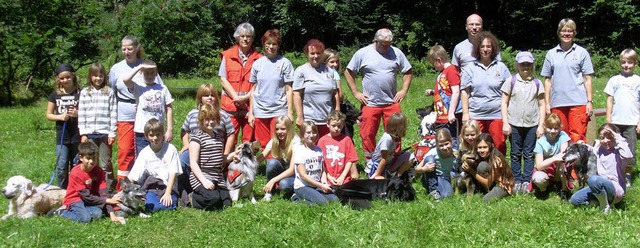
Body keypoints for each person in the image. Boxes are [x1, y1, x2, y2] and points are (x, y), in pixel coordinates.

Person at [345, 28, 412, 162]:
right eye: (383, 44)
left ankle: (394, 160)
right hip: (370, 103)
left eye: (389, 44)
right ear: (376, 41)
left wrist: (403, 90)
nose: (387, 47)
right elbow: (348, 72)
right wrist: (356, 92)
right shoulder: (363, 53)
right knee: (367, 133)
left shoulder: (396, 52)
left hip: (391, 102)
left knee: (396, 132)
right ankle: (372, 162)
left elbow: (408, 71)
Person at [109, 35, 164, 190]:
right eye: (124, 49)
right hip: (125, 113)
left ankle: (147, 184)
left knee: (146, 150)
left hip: (146, 115)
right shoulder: (116, 69)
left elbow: (160, 90)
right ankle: (123, 187)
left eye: (130, 48)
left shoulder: (147, 66)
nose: (127, 52)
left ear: (137, 48)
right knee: (126, 150)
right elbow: (113, 92)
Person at [178, 83, 234, 206]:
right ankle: (187, 192)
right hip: (196, 151)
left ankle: (211, 191)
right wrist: (186, 144)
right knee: (181, 163)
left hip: (214, 157)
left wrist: (228, 155)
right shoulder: (192, 114)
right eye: (206, 95)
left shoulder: (222, 116)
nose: (209, 98)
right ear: (200, 98)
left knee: (226, 202)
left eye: (212, 95)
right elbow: (184, 131)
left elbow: (231, 133)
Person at [541, 18, 595, 143]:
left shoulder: (582, 53)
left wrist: (589, 101)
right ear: (559, 32)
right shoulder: (551, 54)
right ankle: (561, 163)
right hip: (558, 103)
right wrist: (547, 103)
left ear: (574, 33)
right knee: (560, 138)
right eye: (563, 31)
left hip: (578, 103)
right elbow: (547, 80)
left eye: (570, 31)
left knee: (577, 137)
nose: (566, 34)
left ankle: (577, 163)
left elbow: (587, 78)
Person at [500, 51, 545, 194]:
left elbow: (542, 105)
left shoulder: (537, 83)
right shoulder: (511, 81)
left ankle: (526, 180)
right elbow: (504, 102)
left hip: (532, 124)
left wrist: (541, 125)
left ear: (532, 65)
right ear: (517, 65)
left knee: (529, 153)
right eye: (522, 64)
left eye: (528, 64)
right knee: (515, 153)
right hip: (514, 123)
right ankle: (516, 179)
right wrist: (505, 123)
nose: (525, 67)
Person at [460, 31, 510, 154]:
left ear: (493, 49)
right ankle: (477, 171)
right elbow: (465, 92)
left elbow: (508, 92)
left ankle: (498, 171)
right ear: (478, 48)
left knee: (499, 145)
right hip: (476, 114)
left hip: (497, 114)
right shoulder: (470, 68)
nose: (486, 49)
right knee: (476, 146)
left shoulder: (501, 67)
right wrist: (465, 114)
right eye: (482, 46)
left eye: (488, 46)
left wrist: (507, 117)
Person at [219, 22, 263, 154]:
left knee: (248, 139)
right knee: (229, 138)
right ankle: (228, 167)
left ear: (252, 38)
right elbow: (223, 79)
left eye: (248, 36)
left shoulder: (259, 59)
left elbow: (259, 83)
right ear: (237, 37)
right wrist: (235, 97)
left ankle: (246, 168)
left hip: (250, 105)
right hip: (230, 105)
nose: (245, 39)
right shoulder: (227, 55)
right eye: (242, 36)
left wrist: (246, 97)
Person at [570, 124, 632, 214]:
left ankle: (604, 206)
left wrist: (617, 136)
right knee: (575, 200)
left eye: (609, 137)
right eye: (602, 138)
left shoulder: (619, 152)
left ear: (615, 137)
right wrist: (582, 145)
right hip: (599, 186)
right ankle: (603, 202)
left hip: (615, 190)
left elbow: (628, 155)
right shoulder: (600, 150)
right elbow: (591, 149)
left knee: (593, 179)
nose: (605, 141)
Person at [249, 29, 294, 148]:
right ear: (263, 45)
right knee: (263, 143)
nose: (271, 47)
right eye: (268, 43)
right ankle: (269, 164)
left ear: (278, 46)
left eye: (274, 44)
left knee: (278, 142)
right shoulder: (257, 64)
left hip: (279, 109)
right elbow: (253, 90)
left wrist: (290, 112)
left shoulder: (285, 63)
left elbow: (289, 89)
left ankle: (276, 164)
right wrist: (251, 113)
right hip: (260, 110)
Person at [59, 141, 124, 223]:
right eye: (88, 158)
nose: (91, 162)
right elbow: (87, 197)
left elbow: (104, 193)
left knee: (98, 214)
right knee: (85, 219)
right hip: (75, 199)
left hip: (90, 200)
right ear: (81, 158)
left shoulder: (99, 171)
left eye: (94, 158)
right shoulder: (76, 173)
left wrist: (112, 214)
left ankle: (83, 212)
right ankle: (61, 212)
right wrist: (107, 200)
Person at [189, 103, 238, 210]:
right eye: (207, 119)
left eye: (213, 119)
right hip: (201, 177)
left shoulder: (219, 137)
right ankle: (192, 198)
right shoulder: (196, 138)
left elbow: (221, 159)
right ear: (201, 120)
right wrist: (204, 181)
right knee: (213, 199)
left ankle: (215, 194)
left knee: (227, 203)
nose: (210, 122)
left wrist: (232, 155)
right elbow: (193, 163)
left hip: (217, 177)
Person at [121, 60, 174, 156]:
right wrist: (139, 67)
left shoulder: (162, 88)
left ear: (156, 73)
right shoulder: (138, 87)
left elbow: (169, 108)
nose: (149, 76)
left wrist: (169, 129)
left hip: (159, 131)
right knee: (143, 157)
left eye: (152, 73)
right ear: (141, 73)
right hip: (142, 132)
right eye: (146, 73)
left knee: (160, 156)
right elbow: (126, 80)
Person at [78, 62, 117, 191]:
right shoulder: (85, 92)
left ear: (104, 77)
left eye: (101, 76)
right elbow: (82, 113)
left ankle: (108, 189)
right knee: (91, 162)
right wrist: (83, 133)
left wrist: (112, 133)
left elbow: (113, 112)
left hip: (105, 133)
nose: (98, 78)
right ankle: (93, 188)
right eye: (95, 76)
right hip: (90, 133)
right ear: (90, 77)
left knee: (106, 163)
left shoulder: (109, 92)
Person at [128, 118, 182, 212]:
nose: (155, 138)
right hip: (153, 187)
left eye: (158, 135)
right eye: (151, 135)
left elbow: (173, 172)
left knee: (170, 204)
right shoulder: (145, 153)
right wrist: (123, 190)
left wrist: (168, 193)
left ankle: (172, 200)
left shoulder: (171, 149)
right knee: (152, 206)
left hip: (168, 186)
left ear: (163, 134)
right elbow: (134, 175)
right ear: (146, 136)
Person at [604, 48, 640, 188]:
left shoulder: (638, 80)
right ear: (620, 63)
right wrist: (608, 118)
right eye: (624, 62)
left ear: (635, 63)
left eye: (630, 62)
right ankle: (614, 172)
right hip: (616, 121)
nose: (626, 65)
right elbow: (609, 100)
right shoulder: (614, 80)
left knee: (630, 149)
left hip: (631, 122)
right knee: (613, 146)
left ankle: (628, 176)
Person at [293, 39, 340, 138]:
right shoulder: (301, 71)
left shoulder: (330, 71)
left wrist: (337, 112)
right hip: (310, 120)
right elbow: (296, 94)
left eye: (318, 53)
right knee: (309, 149)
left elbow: (335, 93)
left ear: (322, 54)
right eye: (312, 53)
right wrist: (300, 116)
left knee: (328, 149)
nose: (315, 56)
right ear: (307, 54)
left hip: (328, 120)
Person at [46, 63, 81, 189]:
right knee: (62, 164)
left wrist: (78, 114)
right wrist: (60, 117)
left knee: (76, 163)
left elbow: (88, 112)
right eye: (62, 78)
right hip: (62, 135)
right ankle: (62, 190)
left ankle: (76, 189)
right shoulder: (54, 95)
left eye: (67, 77)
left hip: (77, 134)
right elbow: (49, 114)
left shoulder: (81, 93)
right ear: (58, 79)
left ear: (73, 77)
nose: (65, 80)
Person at [292, 121, 338, 205]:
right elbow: (303, 175)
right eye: (308, 133)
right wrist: (321, 185)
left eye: (314, 133)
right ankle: (296, 198)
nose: (311, 135)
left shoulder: (319, 150)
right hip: (303, 186)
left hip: (316, 185)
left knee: (334, 200)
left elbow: (323, 170)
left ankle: (312, 197)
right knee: (322, 203)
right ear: (302, 134)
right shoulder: (299, 151)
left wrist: (324, 182)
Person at [461, 133, 514, 202]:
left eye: (485, 147)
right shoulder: (481, 155)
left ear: (491, 146)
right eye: (479, 148)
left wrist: (470, 170)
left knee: (486, 200)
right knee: (481, 165)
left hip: (502, 185)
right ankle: (486, 190)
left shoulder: (496, 160)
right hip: (492, 181)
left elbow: (487, 183)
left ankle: (503, 192)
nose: (482, 150)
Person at [426, 45, 462, 141]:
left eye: (433, 64)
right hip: (442, 117)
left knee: (452, 141)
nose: (434, 67)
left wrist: (451, 113)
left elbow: (456, 91)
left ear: (439, 60)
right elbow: (447, 90)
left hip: (449, 117)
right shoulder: (443, 72)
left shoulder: (451, 71)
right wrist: (434, 92)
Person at [261, 116, 301, 201]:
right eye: (277, 129)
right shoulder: (275, 140)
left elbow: (292, 170)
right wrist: (246, 158)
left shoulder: (296, 142)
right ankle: (270, 192)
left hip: (297, 174)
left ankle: (296, 191)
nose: (279, 132)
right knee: (271, 163)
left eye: (283, 129)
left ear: (289, 129)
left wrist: (273, 180)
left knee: (284, 184)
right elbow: (261, 157)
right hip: (285, 170)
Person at [531, 113, 571, 199]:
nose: (552, 131)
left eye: (556, 128)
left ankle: (564, 190)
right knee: (538, 178)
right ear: (544, 127)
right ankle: (544, 189)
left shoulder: (562, 136)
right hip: (546, 169)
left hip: (558, 168)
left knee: (564, 165)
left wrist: (556, 159)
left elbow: (564, 155)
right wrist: (554, 159)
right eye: (550, 128)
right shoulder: (540, 142)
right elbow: (539, 166)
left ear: (560, 127)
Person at [317, 111, 359, 187]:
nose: (336, 128)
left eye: (339, 126)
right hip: (328, 177)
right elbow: (321, 162)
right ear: (328, 124)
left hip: (344, 178)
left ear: (343, 125)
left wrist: (342, 177)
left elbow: (350, 160)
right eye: (333, 125)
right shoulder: (322, 140)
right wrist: (328, 176)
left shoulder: (346, 139)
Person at [368, 112, 413, 180]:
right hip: (377, 167)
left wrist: (396, 154)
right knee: (383, 181)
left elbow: (389, 154)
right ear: (399, 128)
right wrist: (377, 174)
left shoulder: (395, 137)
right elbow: (383, 159)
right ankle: (384, 178)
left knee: (410, 157)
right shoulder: (387, 139)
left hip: (388, 165)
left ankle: (397, 177)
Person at [416, 129, 457, 201]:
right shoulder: (433, 152)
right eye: (441, 145)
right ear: (436, 144)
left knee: (447, 196)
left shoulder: (455, 154)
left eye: (447, 144)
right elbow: (417, 169)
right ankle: (433, 190)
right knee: (430, 159)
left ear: (451, 141)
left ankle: (438, 191)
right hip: (430, 176)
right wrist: (424, 169)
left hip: (444, 179)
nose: (444, 147)